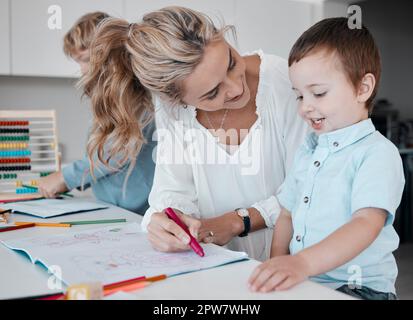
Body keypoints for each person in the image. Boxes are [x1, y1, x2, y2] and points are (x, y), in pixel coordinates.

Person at [82, 6, 307, 260]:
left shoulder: (284, 81)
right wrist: (166, 221)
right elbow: (173, 190)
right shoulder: (172, 109)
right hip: (217, 266)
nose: (235, 88)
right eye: (212, 93)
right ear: (178, 101)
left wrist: (237, 221)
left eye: (231, 63)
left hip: (294, 265)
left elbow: (308, 187)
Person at [248, 17, 405, 300]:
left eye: (318, 93)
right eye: (299, 96)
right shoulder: (309, 149)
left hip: (360, 288)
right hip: (308, 283)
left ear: (363, 88)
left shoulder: (377, 154)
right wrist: (275, 265)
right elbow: (286, 213)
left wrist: (302, 262)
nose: (305, 108)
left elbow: (366, 223)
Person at [37, 11, 156, 215]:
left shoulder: (137, 98)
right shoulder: (106, 96)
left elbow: (116, 154)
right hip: (112, 204)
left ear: (108, 55)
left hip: (134, 210)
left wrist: (66, 177)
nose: (82, 70)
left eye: (85, 59)